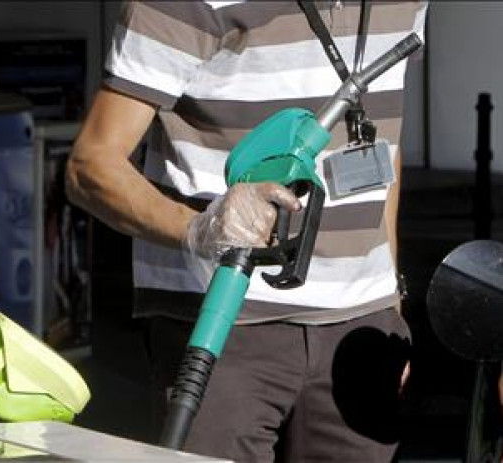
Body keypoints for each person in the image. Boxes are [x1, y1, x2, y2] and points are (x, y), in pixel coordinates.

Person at [66, 1, 427, 461]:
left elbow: (382, 143)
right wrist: (199, 228)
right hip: (222, 323)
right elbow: (90, 165)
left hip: (360, 327)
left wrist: (389, 303)